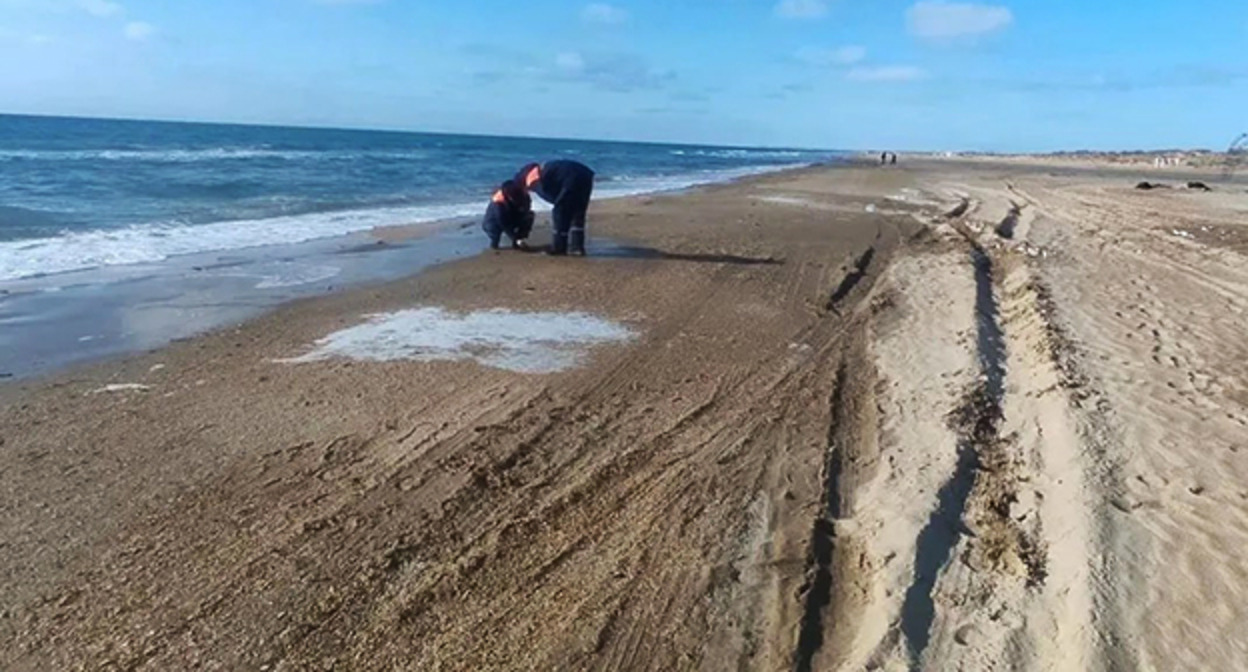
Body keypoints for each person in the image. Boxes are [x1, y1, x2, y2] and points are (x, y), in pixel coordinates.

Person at [516, 160, 595, 256]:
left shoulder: (531, 178)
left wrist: (559, 204)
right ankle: (577, 247)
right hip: (585, 174)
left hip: (571, 176)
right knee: (578, 211)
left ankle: (559, 247)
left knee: (560, 212)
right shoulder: (543, 168)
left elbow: (546, 194)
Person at [481, 179, 534, 251]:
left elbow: (527, 207)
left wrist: (524, 210)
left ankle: (518, 242)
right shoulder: (498, 203)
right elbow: (503, 223)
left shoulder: (523, 195)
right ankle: (494, 246)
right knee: (494, 232)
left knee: (529, 216)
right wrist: (514, 238)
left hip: (511, 215)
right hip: (494, 221)